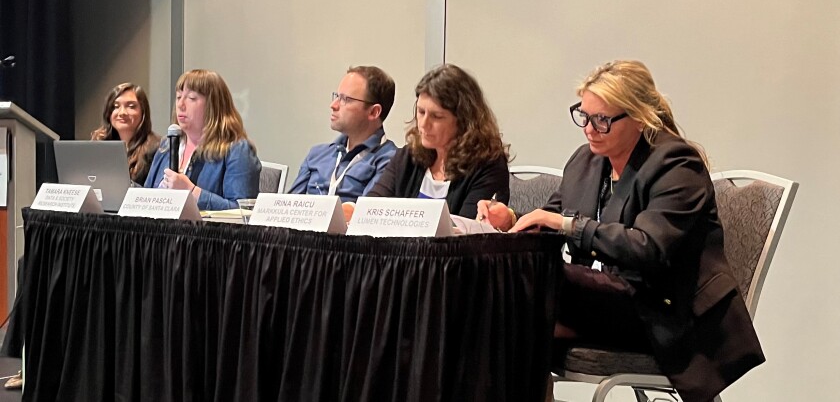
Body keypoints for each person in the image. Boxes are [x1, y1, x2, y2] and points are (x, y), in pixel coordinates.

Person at [477, 60, 764, 402]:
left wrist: (567, 225)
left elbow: (648, 248)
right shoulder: (585, 162)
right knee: (509, 311)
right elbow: (552, 218)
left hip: (662, 311)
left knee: (527, 296)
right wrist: (510, 219)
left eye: (602, 120)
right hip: (602, 301)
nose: (589, 129)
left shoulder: (675, 165)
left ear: (639, 117)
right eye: (583, 116)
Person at [366, 64, 510, 219]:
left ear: (464, 120)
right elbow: (370, 211)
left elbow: (468, 234)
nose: (423, 124)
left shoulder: (488, 166)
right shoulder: (407, 157)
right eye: (421, 112)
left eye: (437, 116)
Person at [144, 69, 261, 211]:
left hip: (206, 233)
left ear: (214, 106)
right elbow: (146, 197)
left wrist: (191, 191)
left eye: (192, 98)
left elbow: (243, 211)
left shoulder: (237, 151)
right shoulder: (167, 146)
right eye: (179, 97)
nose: (181, 105)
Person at [289, 66, 398, 202]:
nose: (333, 105)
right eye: (337, 96)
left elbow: (363, 215)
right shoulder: (317, 154)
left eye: (346, 99)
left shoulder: (390, 161)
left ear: (373, 112)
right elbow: (287, 208)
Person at [91, 82, 161, 185]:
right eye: (115, 106)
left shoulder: (158, 148)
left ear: (143, 112)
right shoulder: (99, 143)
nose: (122, 112)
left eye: (131, 106)